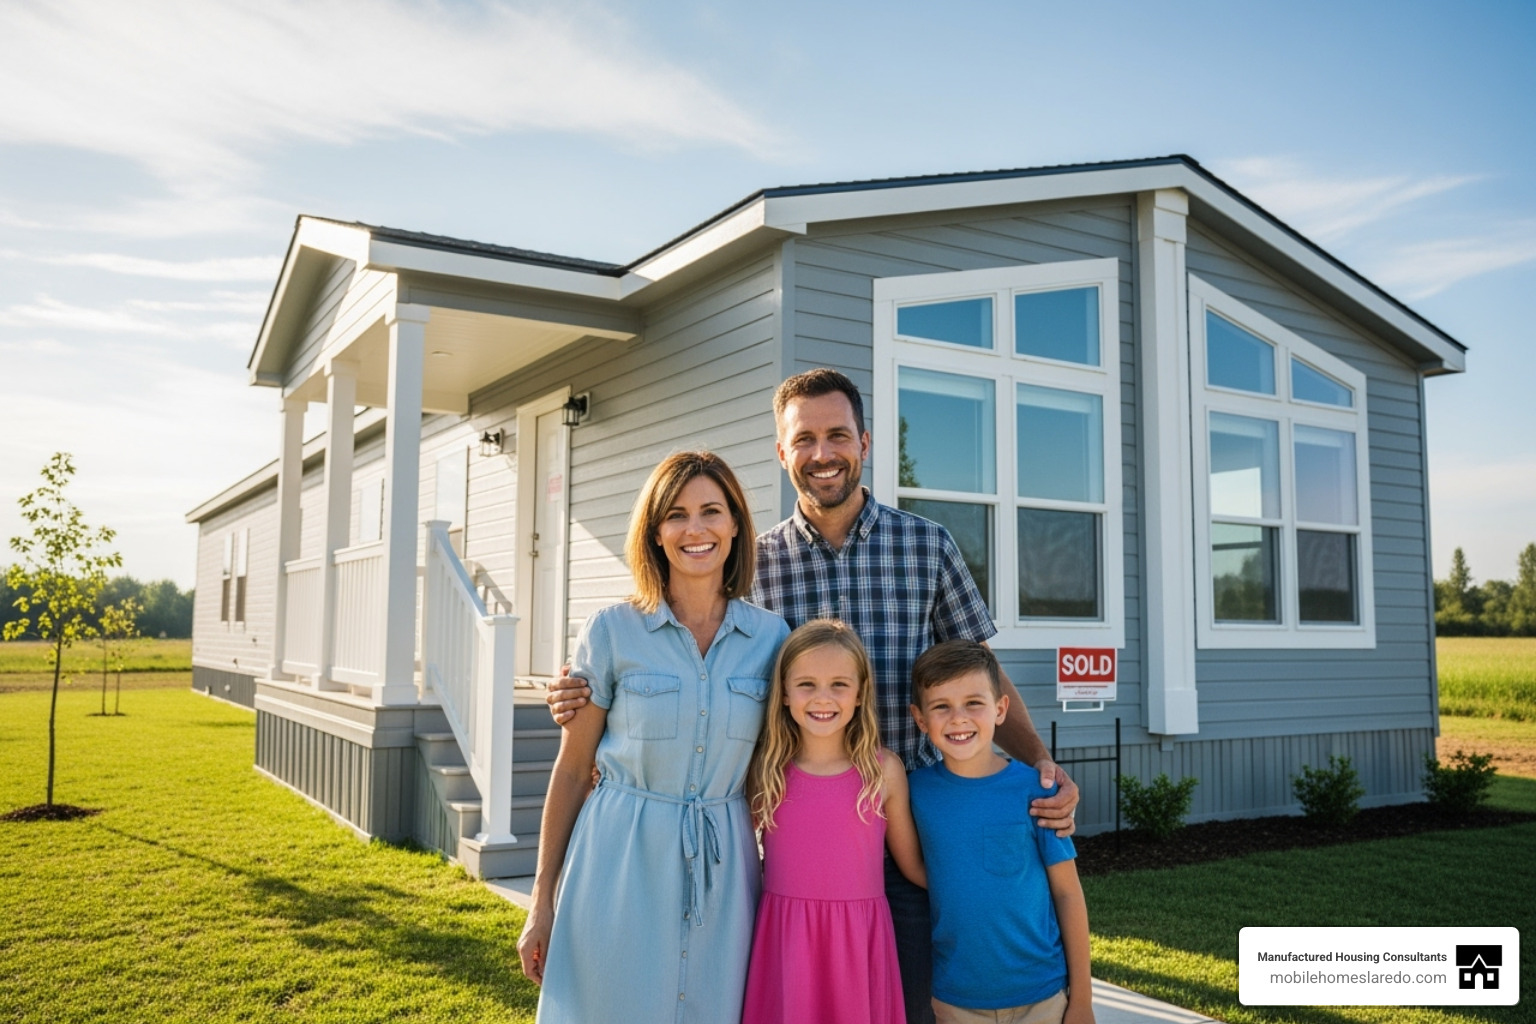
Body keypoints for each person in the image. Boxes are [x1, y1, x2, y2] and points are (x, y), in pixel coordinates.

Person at [548, 368, 1080, 1023]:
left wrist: (1042, 767)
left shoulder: (927, 546)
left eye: (837, 436)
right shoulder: (749, 567)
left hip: (910, 818)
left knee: (908, 1005)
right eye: (804, 439)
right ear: (781, 453)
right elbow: (693, 665)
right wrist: (586, 695)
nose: (822, 453)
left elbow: (984, 676)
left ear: (865, 442)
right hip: (802, 838)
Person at [516, 451, 790, 1023]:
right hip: (616, 863)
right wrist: (540, 902)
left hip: (726, 869)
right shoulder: (612, 630)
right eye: (677, 515)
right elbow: (571, 772)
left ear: (736, 525)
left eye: (711, 511)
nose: (696, 529)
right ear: (656, 532)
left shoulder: (771, 638)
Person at [741, 619, 924, 1024]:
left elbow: (914, 868)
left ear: (860, 694)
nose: (822, 698)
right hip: (785, 943)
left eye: (839, 684)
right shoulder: (766, 770)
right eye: (806, 684)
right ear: (784, 693)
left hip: (860, 943)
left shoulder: (884, 770)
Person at [907, 641, 1093, 1024]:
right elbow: (918, 869)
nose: (958, 718)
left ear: (1001, 708)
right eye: (941, 706)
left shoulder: (1037, 789)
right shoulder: (915, 792)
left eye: (974, 703)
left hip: (1042, 995)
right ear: (920, 719)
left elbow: (1067, 892)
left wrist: (1083, 1001)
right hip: (955, 999)